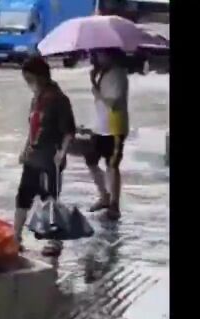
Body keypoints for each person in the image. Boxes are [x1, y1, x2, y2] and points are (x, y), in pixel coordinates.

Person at [13, 56, 76, 257]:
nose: (28, 83)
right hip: (33, 157)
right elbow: (33, 128)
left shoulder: (58, 99)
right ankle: (16, 237)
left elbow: (68, 131)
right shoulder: (36, 99)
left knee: (50, 198)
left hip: (50, 159)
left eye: (30, 78)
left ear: (40, 76)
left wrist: (62, 152)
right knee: (23, 195)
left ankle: (55, 240)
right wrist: (25, 149)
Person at [85, 48, 129, 220]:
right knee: (91, 160)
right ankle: (104, 195)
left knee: (112, 165)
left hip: (115, 127)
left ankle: (114, 204)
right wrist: (93, 81)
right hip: (100, 127)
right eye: (97, 54)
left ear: (111, 55)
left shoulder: (118, 74)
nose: (98, 57)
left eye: (101, 54)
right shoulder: (102, 73)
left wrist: (98, 93)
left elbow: (115, 102)